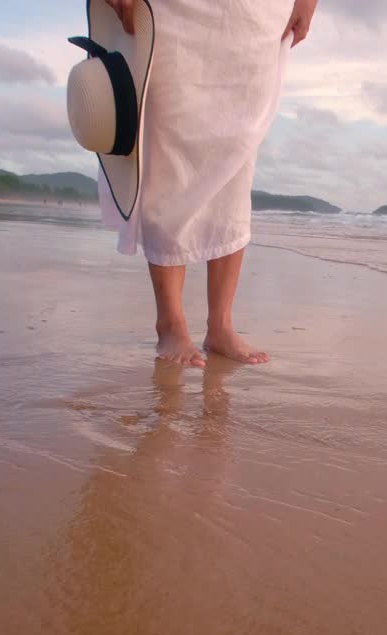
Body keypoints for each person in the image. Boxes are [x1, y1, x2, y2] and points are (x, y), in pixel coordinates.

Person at [104, 0, 317, 367]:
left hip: (256, 14)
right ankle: (170, 322)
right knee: (168, 144)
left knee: (238, 150)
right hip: (171, 10)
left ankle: (220, 325)